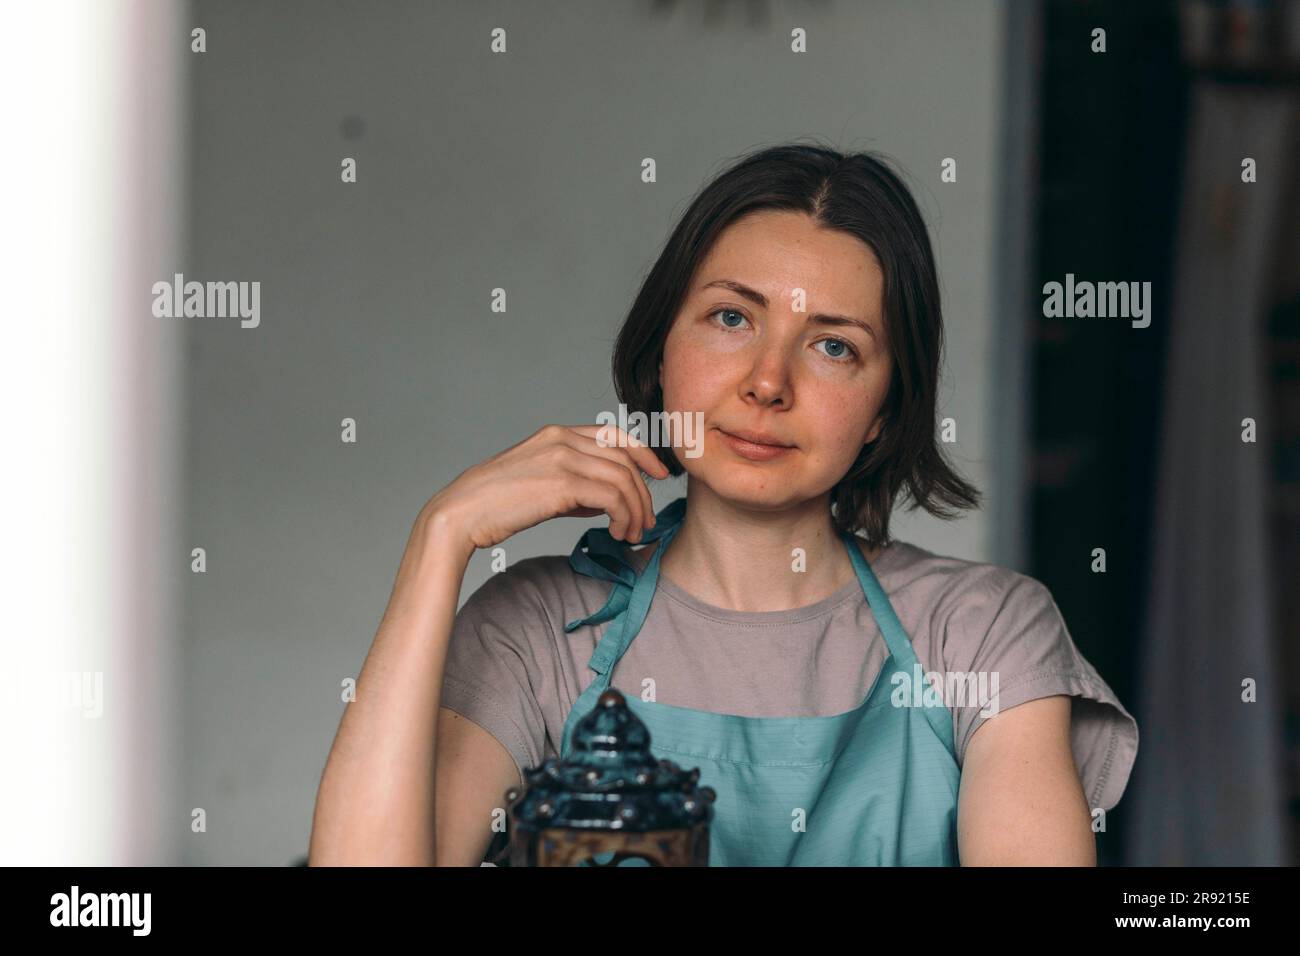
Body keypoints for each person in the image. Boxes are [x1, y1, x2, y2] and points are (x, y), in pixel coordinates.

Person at [307, 142, 1138, 866]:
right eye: (732, 317)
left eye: (834, 346)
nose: (768, 382)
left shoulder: (984, 631)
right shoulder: (534, 633)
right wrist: (440, 536)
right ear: (663, 348)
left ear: (886, 407)